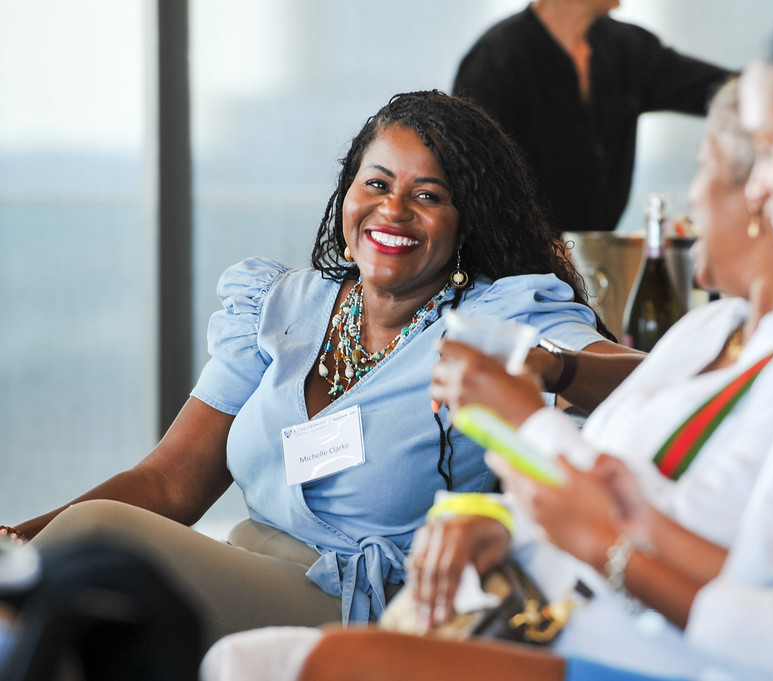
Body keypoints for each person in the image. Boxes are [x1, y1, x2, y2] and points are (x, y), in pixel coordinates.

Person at [206, 0, 773, 679]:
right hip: (632, 624)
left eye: (768, 150)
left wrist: (609, 542)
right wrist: (605, 519)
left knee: (260, 664)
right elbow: (770, 560)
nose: (759, 188)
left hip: (660, 650)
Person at [197, 77, 773, 680]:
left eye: (703, 170)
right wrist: (501, 520)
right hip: (517, 594)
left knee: (236, 654)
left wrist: (537, 405)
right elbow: (603, 487)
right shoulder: (709, 333)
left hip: (579, 630)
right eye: (375, 184)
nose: (686, 202)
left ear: (763, 197)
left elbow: (627, 514)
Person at [0, 90, 641, 648]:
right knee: (81, 612)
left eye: (429, 195)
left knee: (98, 544)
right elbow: (169, 484)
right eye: (378, 183)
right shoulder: (281, 304)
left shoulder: (498, 314)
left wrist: (551, 370)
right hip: (243, 573)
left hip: (360, 611)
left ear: (466, 221)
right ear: (347, 192)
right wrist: (17, 541)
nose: (393, 211)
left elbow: (648, 377)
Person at [453, 0, 732, 233]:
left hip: (596, 263)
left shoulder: (627, 48)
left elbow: (720, 91)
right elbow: (471, 188)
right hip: (516, 275)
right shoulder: (494, 62)